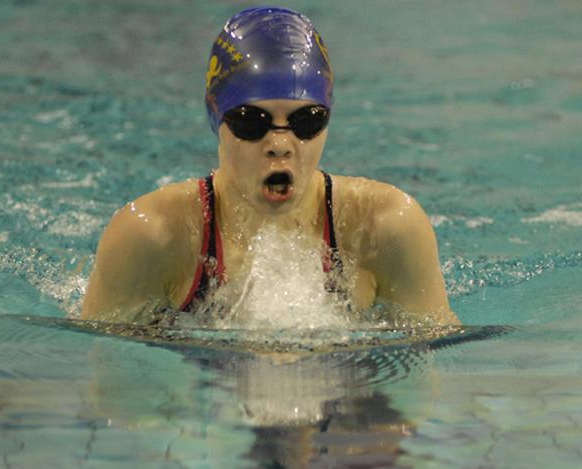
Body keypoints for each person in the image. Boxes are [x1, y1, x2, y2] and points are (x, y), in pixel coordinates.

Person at [81, 6, 458, 326]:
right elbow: (115, 385)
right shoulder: (151, 237)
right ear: (216, 114)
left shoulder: (386, 228)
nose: (280, 145)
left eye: (307, 121)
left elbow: (422, 382)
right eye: (251, 121)